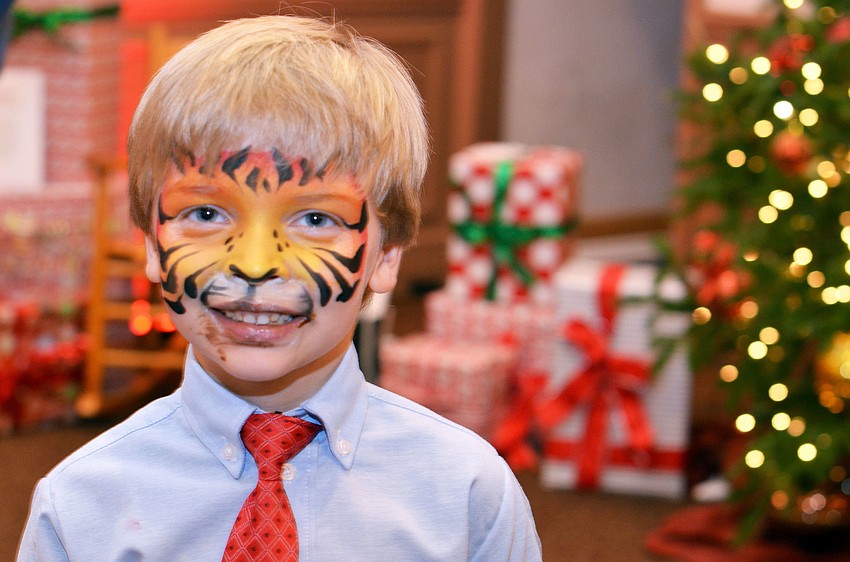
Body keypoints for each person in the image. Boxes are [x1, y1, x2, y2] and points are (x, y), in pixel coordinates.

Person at [17, 15, 542, 561]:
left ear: (385, 257)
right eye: (206, 212)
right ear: (152, 245)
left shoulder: (467, 496)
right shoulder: (80, 506)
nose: (254, 263)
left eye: (315, 219)